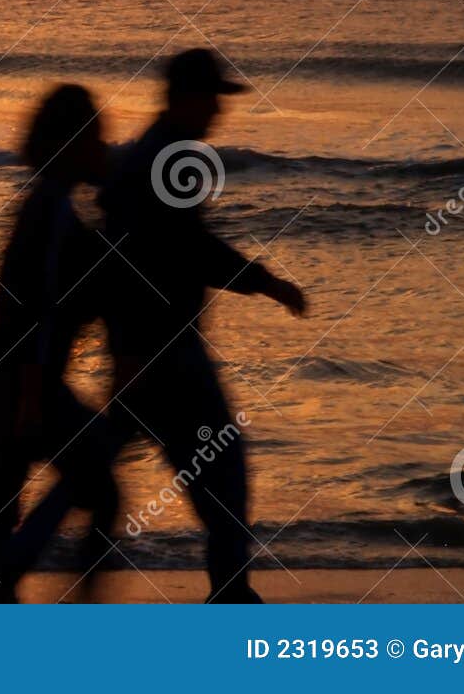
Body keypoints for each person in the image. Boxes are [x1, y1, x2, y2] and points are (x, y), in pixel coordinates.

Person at [99, 47, 306, 602]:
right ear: (187, 98)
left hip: (150, 349)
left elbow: (159, 248)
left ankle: (5, 566)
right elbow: (185, 250)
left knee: (102, 467)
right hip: (166, 353)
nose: (218, 110)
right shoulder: (167, 158)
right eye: (212, 97)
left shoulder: (155, 153)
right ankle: (232, 598)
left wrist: (123, 348)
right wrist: (267, 282)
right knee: (225, 474)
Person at [0, 84, 120, 603]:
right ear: (72, 144)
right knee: (90, 479)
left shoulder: (52, 205)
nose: (103, 148)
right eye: (95, 138)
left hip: (13, 378)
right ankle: (9, 582)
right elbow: (35, 309)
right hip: (22, 382)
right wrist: (30, 397)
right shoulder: (51, 210)